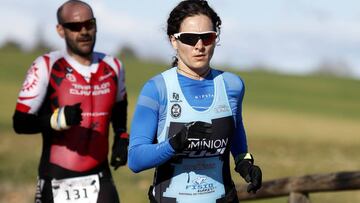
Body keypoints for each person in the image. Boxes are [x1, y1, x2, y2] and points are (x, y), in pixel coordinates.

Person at [128, 0, 262, 202]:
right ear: (173, 40)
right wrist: (175, 144)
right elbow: (135, 160)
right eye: (190, 38)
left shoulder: (232, 85)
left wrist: (244, 162)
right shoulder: (157, 89)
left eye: (207, 38)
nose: (200, 46)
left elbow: (236, 132)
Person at [12, 0, 128, 202]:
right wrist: (54, 120)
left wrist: (121, 136)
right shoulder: (46, 66)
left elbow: (120, 106)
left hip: (100, 176)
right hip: (57, 177)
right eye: (75, 26)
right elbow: (19, 122)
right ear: (60, 30)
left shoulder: (114, 66)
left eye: (89, 24)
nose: (84, 31)